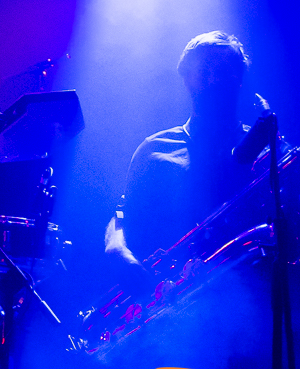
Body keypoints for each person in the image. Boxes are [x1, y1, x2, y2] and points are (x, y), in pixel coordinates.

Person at [104, 31, 262, 278]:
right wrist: (116, 248)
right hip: (171, 303)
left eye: (224, 71)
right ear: (186, 78)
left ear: (239, 79)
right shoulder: (153, 151)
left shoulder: (266, 149)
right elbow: (123, 216)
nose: (214, 80)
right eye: (205, 71)